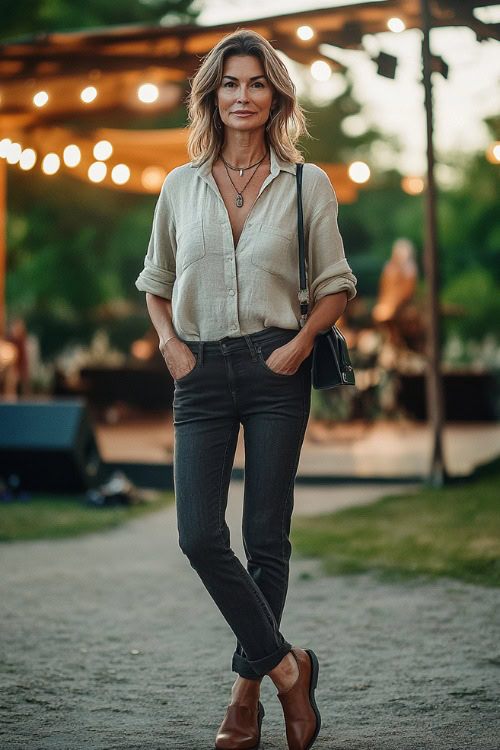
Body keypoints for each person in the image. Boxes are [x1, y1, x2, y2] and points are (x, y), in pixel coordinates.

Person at [135, 28, 357, 750]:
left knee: (266, 537)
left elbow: (336, 286)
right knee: (199, 534)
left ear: (275, 96)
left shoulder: (306, 184)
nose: (242, 96)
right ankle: (292, 671)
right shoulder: (179, 185)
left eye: (255, 83)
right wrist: (170, 345)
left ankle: (244, 695)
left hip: (274, 368)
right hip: (197, 371)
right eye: (229, 83)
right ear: (212, 96)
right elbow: (155, 283)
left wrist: (295, 348)